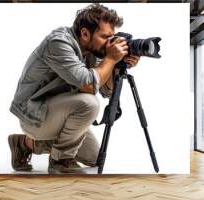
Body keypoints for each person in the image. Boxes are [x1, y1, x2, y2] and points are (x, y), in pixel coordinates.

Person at [8, 3, 140, 174]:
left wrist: (116, 66)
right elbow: (89, 85)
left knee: (95, 158)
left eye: (112, 36)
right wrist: (111, 59)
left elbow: (106, 90)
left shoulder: (95, 49)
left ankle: (25, 144)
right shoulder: (58, 42)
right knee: (89, 103)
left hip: (59, 111)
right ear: (85, 33)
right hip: (34, 114)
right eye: (105, 36)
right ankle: (59, 160)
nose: (110, 42)